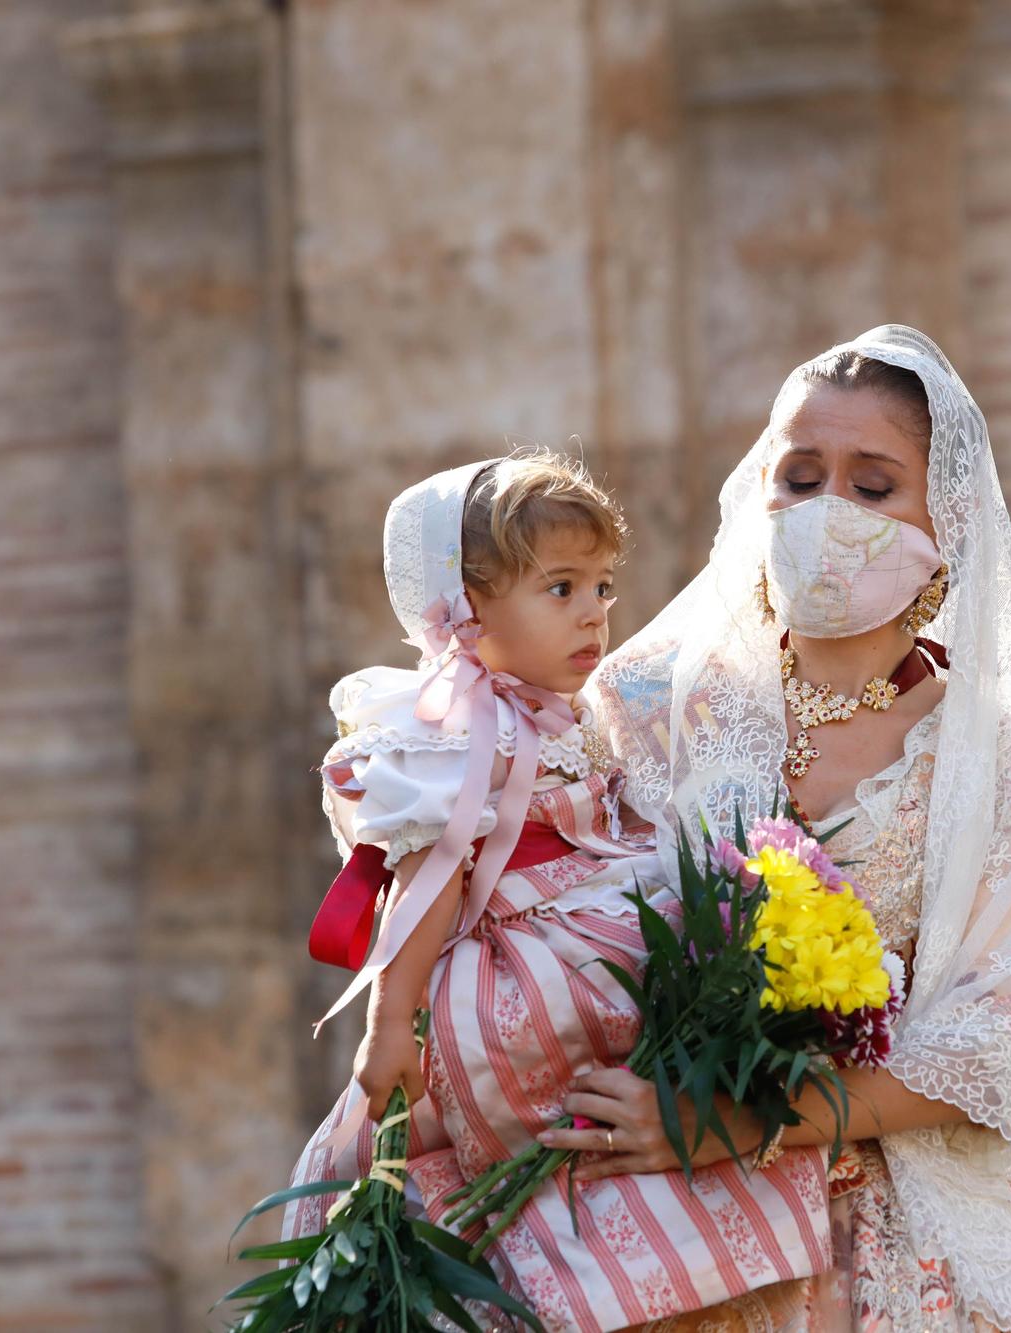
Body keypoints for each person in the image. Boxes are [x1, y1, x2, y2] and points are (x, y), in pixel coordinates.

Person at [581, 326, 1011, 1330]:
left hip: (891, 1232)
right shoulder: (647, 708)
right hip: (641, 1221)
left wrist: (734, 1125)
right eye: (797, 477)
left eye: (872, 487)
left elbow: (986, 1051)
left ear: (946, 519)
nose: (826, 510)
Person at [281, 452, 832, 1331]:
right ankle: (572, 1275)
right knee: (554, 1115)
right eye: (562, 588)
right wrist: (389, 1027)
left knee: (665, 1057)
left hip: (595, 912)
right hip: (519, 955)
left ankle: (679, 1254)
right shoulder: (457, 737)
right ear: (462, 609)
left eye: (605, 588)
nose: (595, 615)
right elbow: (423, 880)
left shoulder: (574, 712)